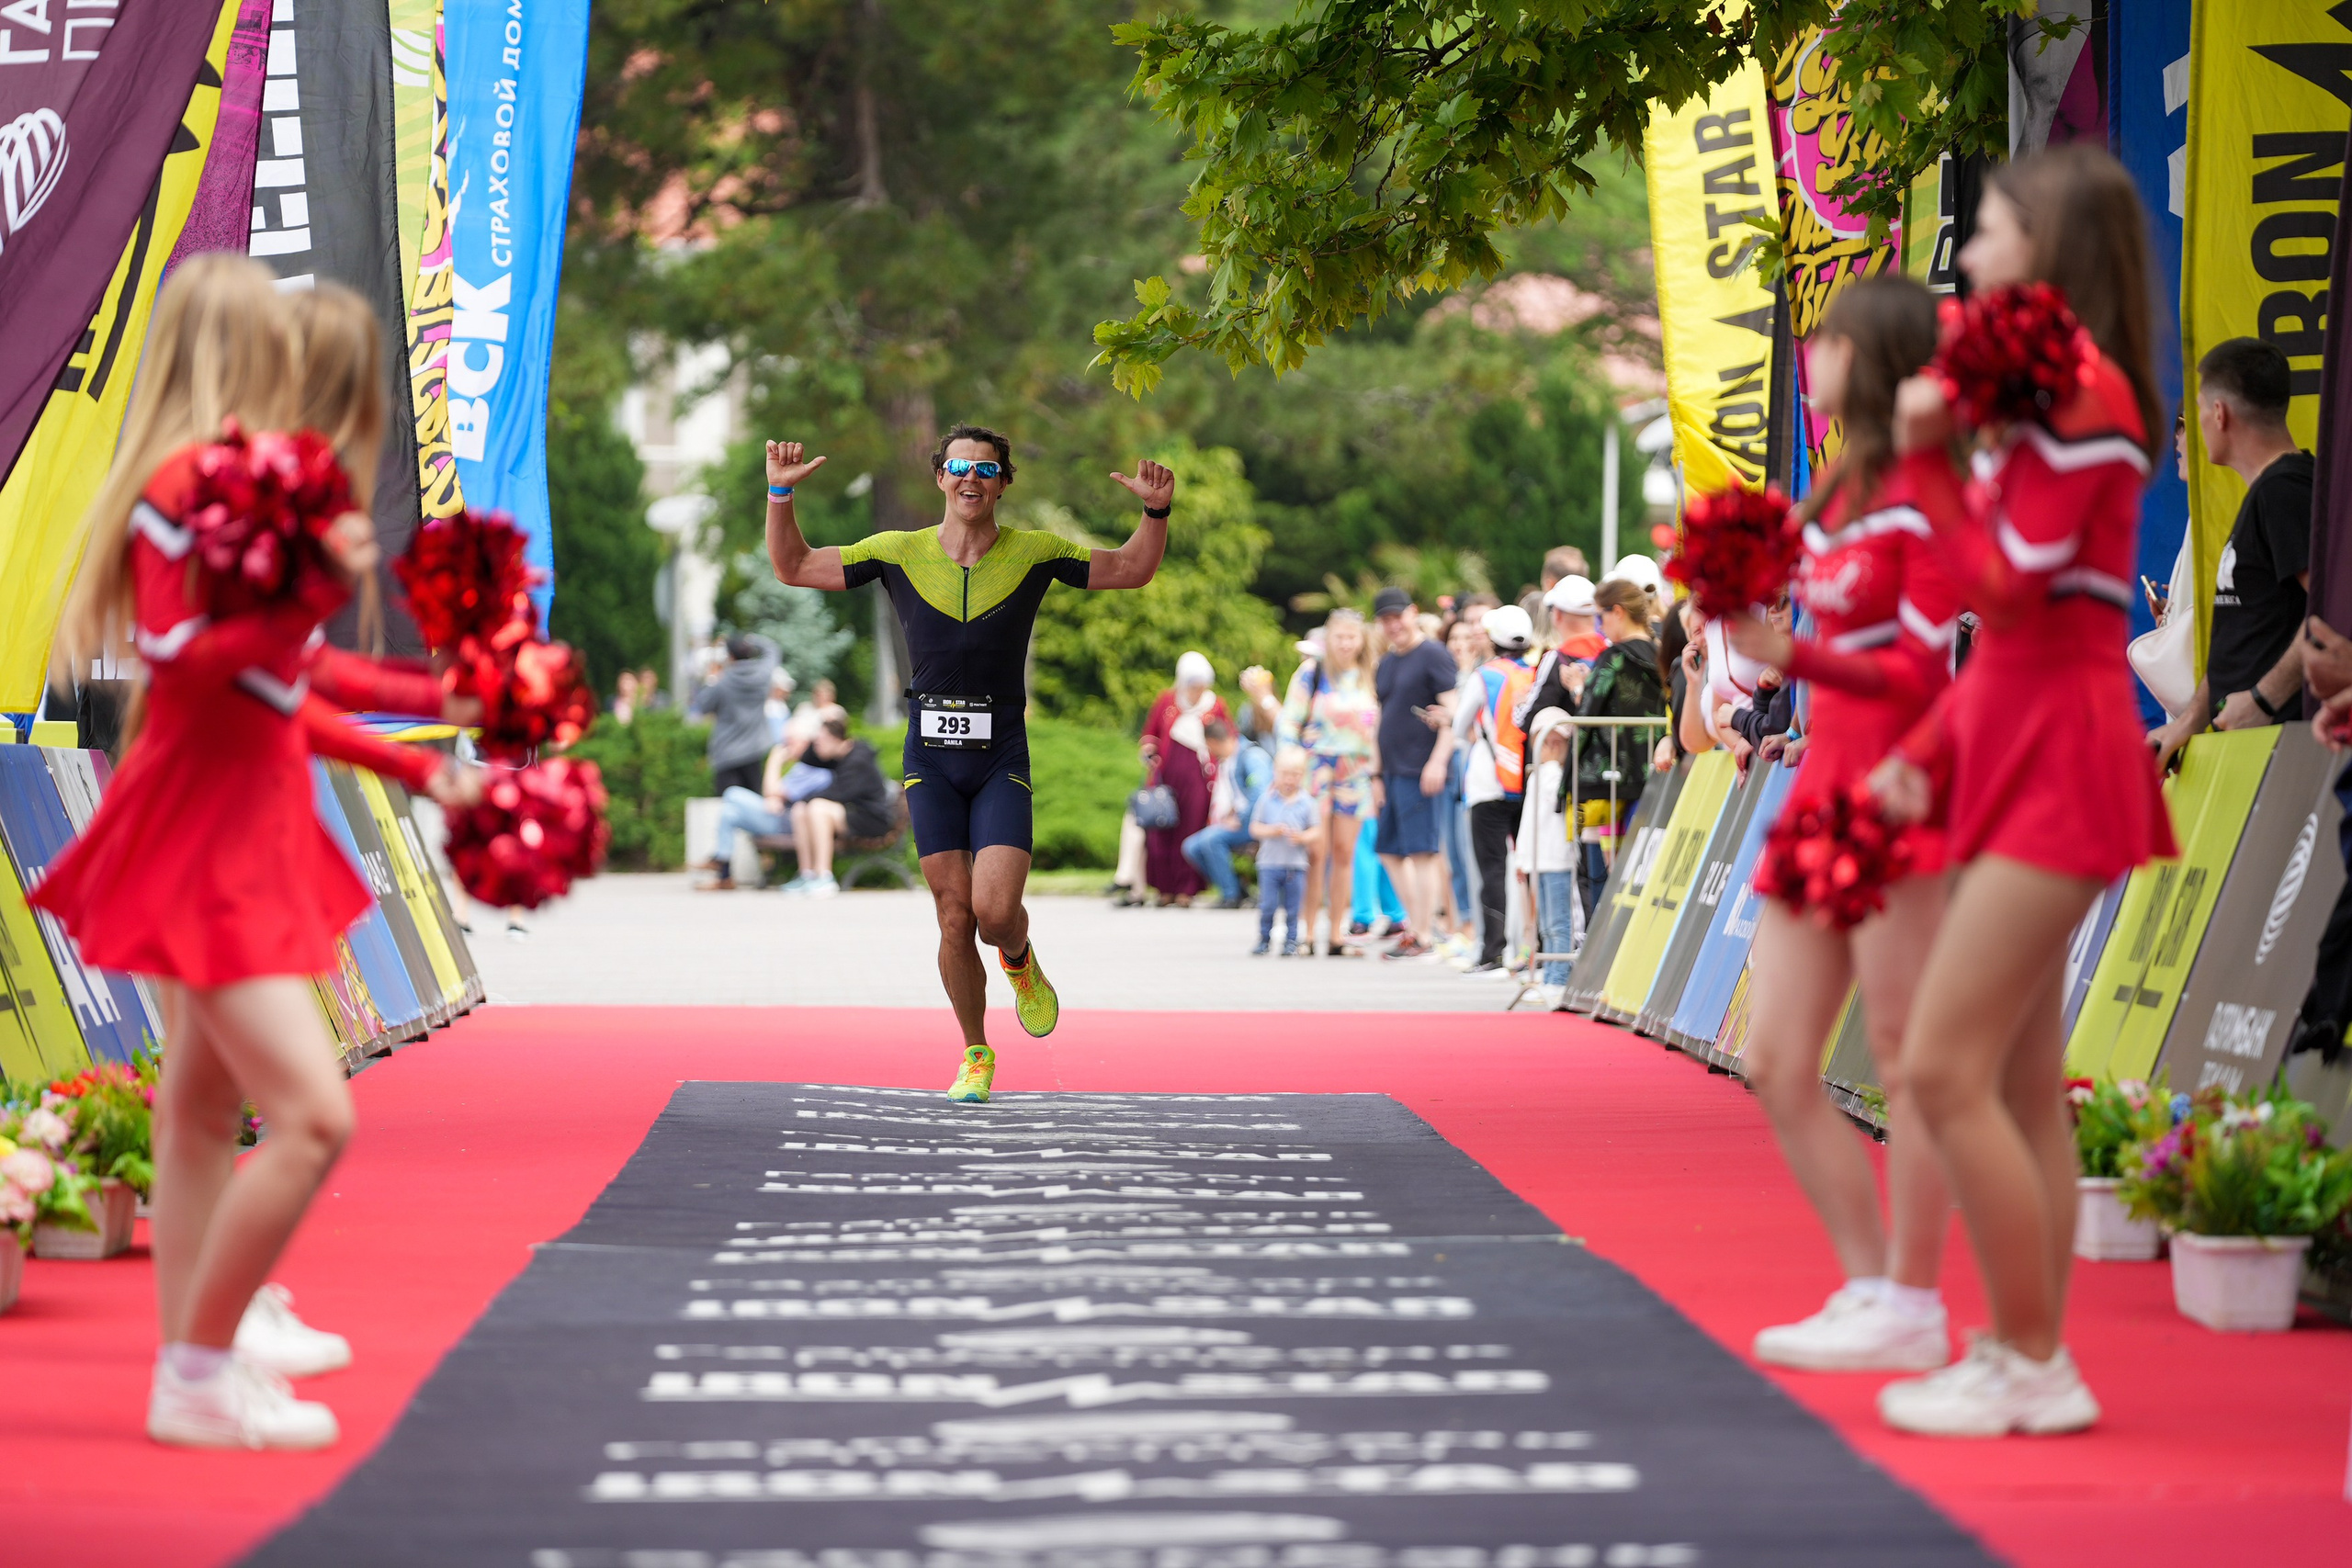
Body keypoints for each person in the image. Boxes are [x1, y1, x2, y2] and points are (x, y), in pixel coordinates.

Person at [33, 260, 482, 1450]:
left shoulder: (214, 489)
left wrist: (420, 728)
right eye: (278, 344)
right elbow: (196, 651)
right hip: (206, 836)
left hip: (225, 819)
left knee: (197, 1109)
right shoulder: (186, 489)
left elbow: (279, 673)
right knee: (312, 1118)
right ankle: (196, 1360)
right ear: (242, 354)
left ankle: (206, 1355)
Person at [1869, 145, 2173, 1437]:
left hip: (2062, 768)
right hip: (2023, 754)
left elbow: (2006, 593)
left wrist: (1930, 461)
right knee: (2016, 1080)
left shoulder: (2087, 400)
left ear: (2042, 245)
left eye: (1984, 231)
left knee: (1944, 1068)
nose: (1966, 255)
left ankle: (2033, 1356)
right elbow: (2006, 636)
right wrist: (1927, 754)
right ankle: (2021, 1349)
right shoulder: (2053, 407)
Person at [761, 424, 1171, 1102]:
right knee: (954, 914)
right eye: (957, 466)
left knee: (994, 910)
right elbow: (794, 565)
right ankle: (975, 1051)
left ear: (1004, 482)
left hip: (1000, 754)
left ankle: (1018, 957)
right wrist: (779, 493)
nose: (970, 477)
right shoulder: (898, 551)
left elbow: (1131, 568)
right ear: (939, 477)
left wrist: (1154, 512)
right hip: (931, 756)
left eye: (985, 468)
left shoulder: (1035, 552)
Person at [1716, 275, 1962, 1376]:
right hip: (1818, 795)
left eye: (1825, 342)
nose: (1807, 357)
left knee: (1910, 1063)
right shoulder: (1834, 492)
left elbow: (1921, 665)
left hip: (1896, 796)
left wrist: (1794, 655)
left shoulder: (1923, 490)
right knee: (1774, 1058)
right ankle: (1871, 1285)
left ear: (1874, 358)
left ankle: (1911, 1296)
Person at [2148, 337, 2312, 767]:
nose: (2192, 429)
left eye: (2196, 412)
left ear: (2219, 415)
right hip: (2253, 749)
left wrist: (2263, 698)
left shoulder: (2284, 492)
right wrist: (2186, 723)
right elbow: (2238, 637)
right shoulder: (2269, 494)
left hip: (2285, 755)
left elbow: (2335, 613)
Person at [1280, 608, 1381, 955]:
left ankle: (1337, 932)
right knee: (1316, 850)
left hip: (1356, 770)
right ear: (1328, 639)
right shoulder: (1313, 673)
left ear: (1362, 640)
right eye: (1339, 637)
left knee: (1344, 852)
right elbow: (1288, 721)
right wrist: (1290, 758)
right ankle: (1307, 932)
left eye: (1352, 637)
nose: (1346, 644)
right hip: (1317, 766)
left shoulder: (1370, 675)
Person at [1371, 586, 1459, 958]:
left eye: (1398, 617)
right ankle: (1418, 924)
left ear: (1412, 613)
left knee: (1422, 852)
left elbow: (1453, 713)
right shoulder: (1387, 663)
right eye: (1386, 620)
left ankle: (1424, 933)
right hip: (1391, 770)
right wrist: (1376, 773)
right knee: (1389, 850)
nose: (1394, 626)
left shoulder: (1433, 655)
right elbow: (1380, 718)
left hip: (1420, 767)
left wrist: (1438, 761)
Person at [1571, 579, 1668, 916]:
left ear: (1618, 612)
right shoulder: (1662, 654)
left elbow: (1587, 715)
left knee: (1614, 877)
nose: (1600, 626)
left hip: (1612, 779)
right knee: (1646, 873)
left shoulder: (1612, 657)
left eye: (1601, 617)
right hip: (1659, 774)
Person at [1451, 604, 1536, 974]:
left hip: (1488, 782)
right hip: (1526, 780)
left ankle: (1492, 952)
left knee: (1491, 869)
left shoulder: (1483, 676)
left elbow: (1459, 726)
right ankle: (1536, 948)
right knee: (1530, 866)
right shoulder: (1535, 673)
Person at [1141, 651, 1232, 906]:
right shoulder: (1167, 701)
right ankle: (1163, 889)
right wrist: (1149, 751)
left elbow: (1227, 738)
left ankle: (1186, 889)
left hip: (1199, 780)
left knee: (1191, 829)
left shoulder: (1216, 705)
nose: (1196, 690)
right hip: (1166, 778)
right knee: (1162, 831)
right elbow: (1151, 733)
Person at [782, 718, 894, 897]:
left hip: (872, 819)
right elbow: (809, 759)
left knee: (817, 808)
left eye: (820, 742)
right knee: (800, 809)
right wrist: (813, 739)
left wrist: (808, 798)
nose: (816, 746)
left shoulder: (858, 759)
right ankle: (807, 874)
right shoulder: (838, 755)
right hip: (851, 813)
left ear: (835, 739)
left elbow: (839, 793)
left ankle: (824, 876)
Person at [1515, 707, 1579, 1005]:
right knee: (1547, 922)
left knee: (1558, 921)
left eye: (1557, 742)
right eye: (1546, 742)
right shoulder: (1539, 776)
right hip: (1541, 859)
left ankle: (1559, 977)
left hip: (1556, 859)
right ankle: (1552, 972)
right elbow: (1529, 822)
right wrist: (1523, 859)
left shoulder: (1556, 777)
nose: (1551, 749)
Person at [1182, 719, 1264, 908]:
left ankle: (1231, 896)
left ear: (1212, 742)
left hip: (1255, 822)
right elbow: (1243, 796)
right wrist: (1232, 812)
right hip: (1241, 820)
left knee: (1211, 840)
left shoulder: (1252, 756)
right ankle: (1237, 887)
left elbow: (1260, 794)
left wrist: (1240, 818)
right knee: (1191, 846)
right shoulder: (1232, 759)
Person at [693, 632, 780, 802]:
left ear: (730, 656)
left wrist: (709, 676)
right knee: (754, 806)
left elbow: (703, 706)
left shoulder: (722, 683)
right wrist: (751, 639)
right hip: (755, 750)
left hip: (727, 754)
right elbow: (773, 649)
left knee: (728, 805)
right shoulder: (763, 674)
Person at [1250, 749, 1319, 955]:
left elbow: (1317, 830)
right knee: (1268, 904)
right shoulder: (1266, 800)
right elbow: (1254, 828)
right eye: (1285, 774)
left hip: (1295, 865)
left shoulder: (1307, 802)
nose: (1289, 780)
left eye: (1296, 775)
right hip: (1269, 864)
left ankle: (1291, 940)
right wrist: (1272, 831)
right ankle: (1264, 938)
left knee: (1293, 907)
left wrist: (1303, 837)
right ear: (1275, 773)